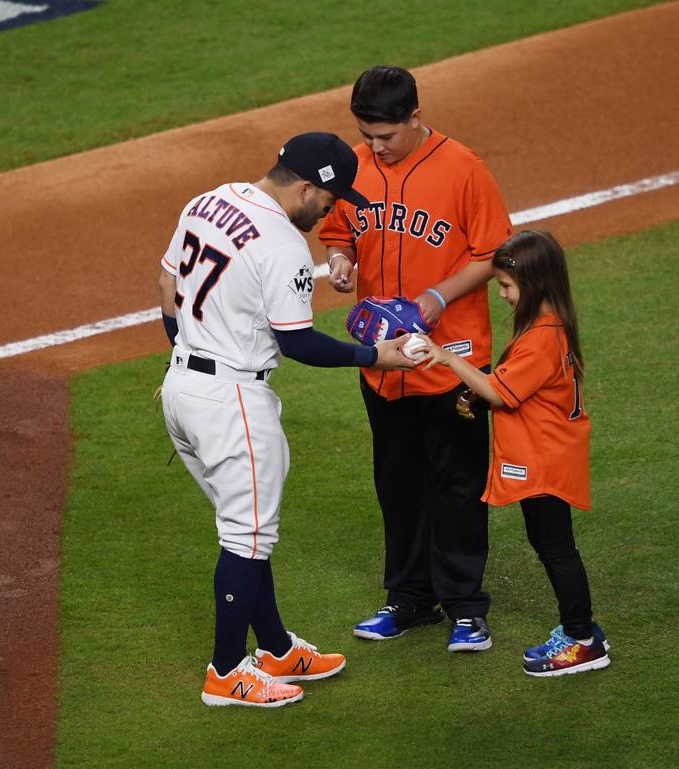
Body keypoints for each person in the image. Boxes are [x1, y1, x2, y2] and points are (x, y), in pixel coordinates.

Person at [157, 132, 415, 708]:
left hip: (183, 391)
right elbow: (297, 342)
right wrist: (378, 355)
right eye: (330, 199)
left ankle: (273, 646)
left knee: (247, 528)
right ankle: (227, 672)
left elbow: (168, 284)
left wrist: (183, 352)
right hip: (231, 405)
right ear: (305, 187)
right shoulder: (282, 246)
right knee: (247, 538)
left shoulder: (208, 200)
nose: (331, 210)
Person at [319, 65, 512, 652]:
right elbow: (338, 231)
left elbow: (495, 252)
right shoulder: (355, 165)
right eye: (367, 136)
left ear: (415, 118)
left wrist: (437, 295)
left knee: (456, 484)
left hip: (451, 359)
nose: (376, 148)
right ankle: (408, 599)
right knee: (397, 483)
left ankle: (465, 607)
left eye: (387, 137)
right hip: (384, 363)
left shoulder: (464, 170)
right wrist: (341, 260)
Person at [413, 229, 611, 676]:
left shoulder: (542, 336)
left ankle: (582, 639)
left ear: (535, 283)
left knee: (556, 548)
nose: (502, 294)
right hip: (549, 452)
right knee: (551, 545)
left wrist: (447, 358)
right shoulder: (550, 325)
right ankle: (581, 631)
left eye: (506, 285)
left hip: (544, 459)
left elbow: (501, 393)